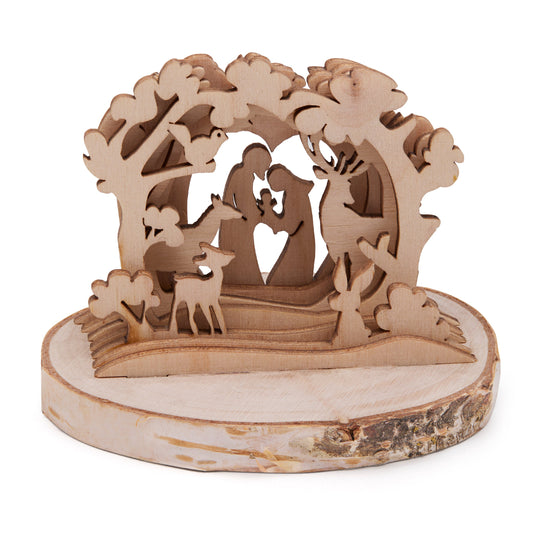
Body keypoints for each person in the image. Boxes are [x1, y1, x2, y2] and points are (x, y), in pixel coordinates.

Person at [219, 143, 272, 285]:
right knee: (244, 257)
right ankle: (243, 281)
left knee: (245, 256)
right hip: (236, 228)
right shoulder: (243, 175)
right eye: (265, 166)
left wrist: (259, 209)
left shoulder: (244, 174)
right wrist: (263, 212)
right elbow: (246, 207)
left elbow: (247, 203)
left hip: (236, 224)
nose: (266, 170)